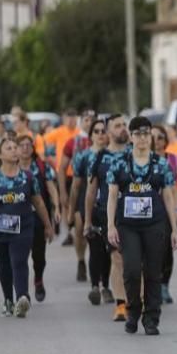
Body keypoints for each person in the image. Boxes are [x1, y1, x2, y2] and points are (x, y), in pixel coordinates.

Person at [106, 116, 177, 335]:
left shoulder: (160, 164)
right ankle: (133, 310)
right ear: (131, 137)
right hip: (128, 225)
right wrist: (111, 225)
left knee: (153, 271)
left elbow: (168, 195)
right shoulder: (119, 162)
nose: (142, 138)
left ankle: (151, 317)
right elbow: (112, 195)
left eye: (146, 134)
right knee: (130, 269)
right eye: (138, 134)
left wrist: (174, 228)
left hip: (154, 224)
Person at [0, 137, 54, 318]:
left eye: (14, 147)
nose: (13, 150)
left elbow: (39, 203)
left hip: (23, 228)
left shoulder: (27, 177)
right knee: (5, 264)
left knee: (19, 261)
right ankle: (8, 300)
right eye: (8, 148)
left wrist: (47, 225)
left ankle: (22, 297)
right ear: (0, 154)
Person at [85, 114, 130, 321]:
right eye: (117, 126)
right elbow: (91, 191)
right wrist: (87, 221)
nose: (123, 129)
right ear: (108, 131)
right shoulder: (101, 157)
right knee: (117, 257)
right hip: (109, 215)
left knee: (137, 262)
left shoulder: (136, 154)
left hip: (137, 214)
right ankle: (121, 304)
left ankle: (137, 299)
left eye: (124, 125)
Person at [70, 117, 113, 305]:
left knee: (109, 250)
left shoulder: (114, 156)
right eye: (97, 131)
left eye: (104, 131)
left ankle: (107, 285)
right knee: (96, 249)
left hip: (109, 208)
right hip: (89, 207)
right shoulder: (83, 156)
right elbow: (77, 185)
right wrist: (72, 210)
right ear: (91, 135)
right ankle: (96, 286)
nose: (101, 134)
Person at [17, 134, 61, 302]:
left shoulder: (41, 167)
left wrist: (56, 207)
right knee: (19, 255)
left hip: (38, 217)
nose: (25, 148)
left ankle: (38, 279)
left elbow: (51, 188)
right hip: (17, 216)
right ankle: (21, 290)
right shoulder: (10, 167)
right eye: (22, 145)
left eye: (29, 145)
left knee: (38, 255)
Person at [151, 125, 177, 304]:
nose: (156, 141)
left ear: (165, 140)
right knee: (152, 249)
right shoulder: (144, 161)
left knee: (166, 248)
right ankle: (152, 284)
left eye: (160, 138)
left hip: (170, 210)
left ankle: (163, 284)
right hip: (149, 211)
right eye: (153, 138)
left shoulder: (173, 160)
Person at [59, 109, 95, 279]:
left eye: (92, 119)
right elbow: (61, 169)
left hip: (99, 186)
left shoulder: (104, 139)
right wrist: (63, 193)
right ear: (82, 122)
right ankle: (81, 260)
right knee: (80, 227)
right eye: (86, 119)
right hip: (79, 186)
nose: (89, 122)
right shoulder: (73, 142)